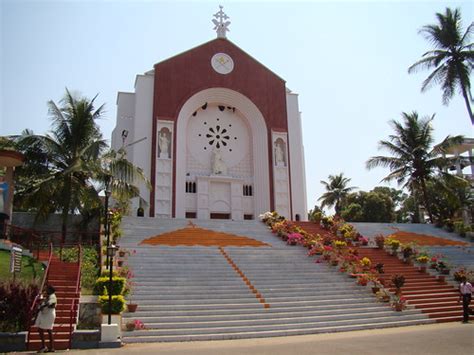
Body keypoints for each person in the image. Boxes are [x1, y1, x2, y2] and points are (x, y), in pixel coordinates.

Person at [35, 285, 57, 352]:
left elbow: (51, 303)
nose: (46, 290)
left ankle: (46, 347)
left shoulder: (52, 296)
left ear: (50, 290)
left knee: (47, 329)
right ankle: (49, 347)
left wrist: (43, 306)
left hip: (49, 314)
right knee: (45, 329)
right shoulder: (48, 296)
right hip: (45, 314)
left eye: (47, 289)